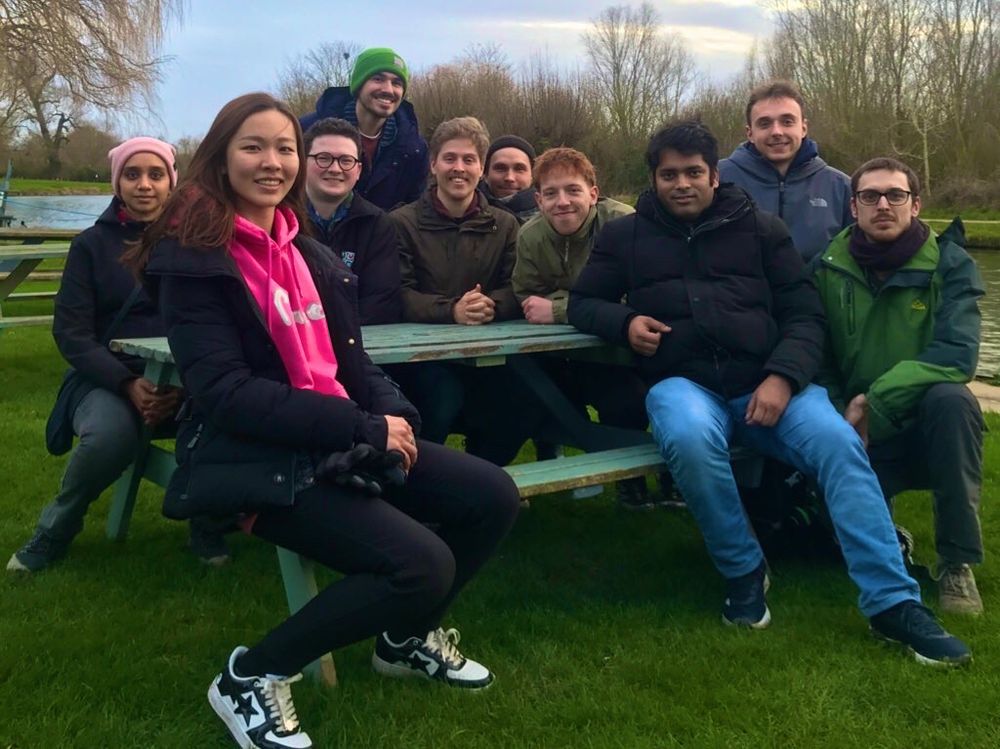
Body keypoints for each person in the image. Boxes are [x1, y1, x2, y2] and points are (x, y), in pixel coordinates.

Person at [128, 93, 519, 749]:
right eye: (254, 147)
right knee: (420, 565)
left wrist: (392, 414)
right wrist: (365, 431)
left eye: (284, 148)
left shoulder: (305, 252)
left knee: (493, 496)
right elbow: (228, 394)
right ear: (221, 157)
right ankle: (249, 675)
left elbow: (351, 359)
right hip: (254, 455)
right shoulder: (192, 259)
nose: (272, 162)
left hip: (338, 434)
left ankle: (402, 640)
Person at [569, 120, 971, 667]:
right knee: (685, 436)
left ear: (714, 174)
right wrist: (624, 321)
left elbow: (805, 315)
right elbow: (582, 303)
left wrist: (782, 377)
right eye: (669, 175)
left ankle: (892, 603)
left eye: (693, 173)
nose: (682, 184)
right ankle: (743, 570)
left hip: (769, 380)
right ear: (654, 179)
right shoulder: (623, 237)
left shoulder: (763, 230)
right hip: (683, 384)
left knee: (837, 444)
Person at [7, 137, 230, 573]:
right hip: (108, 379)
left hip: (186, 379)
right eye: (132, 174)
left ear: (172, 182)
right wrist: (128, 384)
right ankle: (58, 526)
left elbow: (214, 327)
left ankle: (208, 520)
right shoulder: (89, 246)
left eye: (155, 174)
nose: (144, 185)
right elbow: (71, 333)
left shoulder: (199, 243)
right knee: (110, 436)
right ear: (117, 182)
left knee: (228, 415)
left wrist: (183, 387)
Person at [813, 157, 986, 615]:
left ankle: (956, 563)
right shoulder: (827, 268)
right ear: (854, 207)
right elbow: (817, 354)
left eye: (896, 195)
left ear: (916, 204)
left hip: (920, 424)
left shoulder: (950, 264)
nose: (883, 205)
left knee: (954, 401)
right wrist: (836, 412)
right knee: (824, 545)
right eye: (870, 196)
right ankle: (884, 533)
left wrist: (875, 400)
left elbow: (957, 355)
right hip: (853, 425)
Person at [513, 146, 661, 509]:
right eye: (550, 193)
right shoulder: (530, 237)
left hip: (622, 348)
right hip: (560, 351)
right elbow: (529, 299)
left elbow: (646, 296)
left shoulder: (624, 224)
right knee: (533, 392)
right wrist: (595, 302)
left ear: (593, 193)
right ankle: (551, 461)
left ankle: (634, 482)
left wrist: (563, 307)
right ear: (538, 198)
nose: (562, 202)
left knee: (627, 402)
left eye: (573, 190)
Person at [391, 116, 530, 463]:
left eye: (469, 160)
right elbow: (397, 294)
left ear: (481, 169)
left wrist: (492, 306)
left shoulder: (506, 225)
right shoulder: (400, 223)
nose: (459, 168)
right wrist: (452, 311)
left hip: (487, 353)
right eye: (450, 158)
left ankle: (485, 479)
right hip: (419, 358)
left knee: (526, 399)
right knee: (442, 399)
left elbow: (520, 287)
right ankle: (424, 487)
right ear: (433, 164)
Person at [718, 80, 852, 262]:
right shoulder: (717, 179)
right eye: (764, 124)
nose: (777, 131)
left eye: (787, 121)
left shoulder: (841, 187)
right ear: (750, 133)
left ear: (803, 128)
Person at [300, 47, 428, 212]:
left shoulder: (414, 148)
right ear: (359, 85)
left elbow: (414, 209)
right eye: (377, 79)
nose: (388, 89)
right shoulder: (305, 131)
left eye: (396, 83)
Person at [303, 116, 402, 325]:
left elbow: (381, 302)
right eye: (323, 158)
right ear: (303, 163)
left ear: (358, 171)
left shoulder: (378, 224)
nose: (335, 169)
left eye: (346, 161)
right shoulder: (280, 219)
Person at [480, 134, 538, 224]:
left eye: (519, 169)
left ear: (532, 175)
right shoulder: (465, 213)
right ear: (485, 174)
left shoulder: (552, 216)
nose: (509, 178)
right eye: (500, 168)